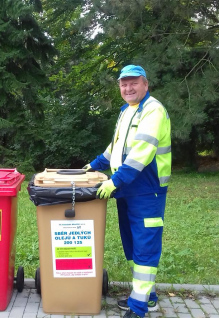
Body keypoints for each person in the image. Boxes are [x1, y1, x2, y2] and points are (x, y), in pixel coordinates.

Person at [83, 65, 171, 318]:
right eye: (123, 84)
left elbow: (142, 151)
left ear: (146, 84)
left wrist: (114, 181)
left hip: (146, 191)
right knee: (132, 245)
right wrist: (94, 165)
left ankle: (139, 307)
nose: (128, 88)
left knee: (144, 245)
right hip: (127, 189)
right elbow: (116, 148)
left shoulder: (153, 110)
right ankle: (147, 295)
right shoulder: (127, 111)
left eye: (133, 83)